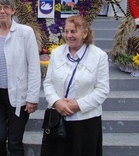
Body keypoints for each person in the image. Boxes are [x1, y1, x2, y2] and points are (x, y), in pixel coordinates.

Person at [0, 0, 41, 156]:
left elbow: (34, 66)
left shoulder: (25, 33)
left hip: (19, 96)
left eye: (6, 7)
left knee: (15, 141)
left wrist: (32, 97)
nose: (2, 11)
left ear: (13, 10)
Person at [41, 15, 109, 156]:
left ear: (85, 33)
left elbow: (102, 90)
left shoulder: (99, 56)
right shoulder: (57, 53)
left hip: (85, 122)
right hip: (57, 118)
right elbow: (48, 83)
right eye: (66, 31)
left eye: (73, 32)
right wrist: (57, 102)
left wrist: (77, 105)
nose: (69, 35)